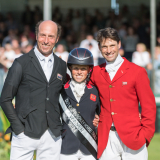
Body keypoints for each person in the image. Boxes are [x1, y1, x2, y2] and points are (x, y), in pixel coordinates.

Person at [0, 20, 67, 160]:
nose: (46, 40)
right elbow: (5, 99)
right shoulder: (21, 63)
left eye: (51, 36)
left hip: (52, 137)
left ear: (57, 39)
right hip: (25, 134)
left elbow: (64, 98)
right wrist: (19, 129)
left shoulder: (61, 65)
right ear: (36, 35)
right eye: (43, 35)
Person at [89, 27, 156, 160]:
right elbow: (83, 92)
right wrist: (93, 114)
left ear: (119, 44)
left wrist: (145, 135)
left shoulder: (137, 72)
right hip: (106, 138)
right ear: (99, 47)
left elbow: (149, 106)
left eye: (112, 45)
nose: (109, 50)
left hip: (134, 137)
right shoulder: (95, 72)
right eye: (104, 46)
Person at [59, 48, 100, 160]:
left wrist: (98, 119)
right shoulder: (61, 90)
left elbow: (101, 114)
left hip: (89, 148)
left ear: (89, 70)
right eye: (76, 68)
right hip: (66, 146)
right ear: (70, 68)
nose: (79, 72)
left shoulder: (94, 91)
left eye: (83, 69)